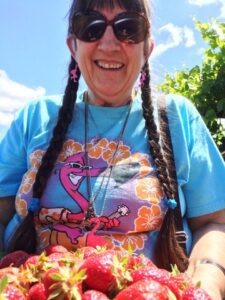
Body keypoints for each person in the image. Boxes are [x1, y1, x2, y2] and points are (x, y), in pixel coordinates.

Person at [0, 0, 225, 298]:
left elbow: (213, 221)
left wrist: (207, 282)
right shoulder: (35, 118)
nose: (109, 43)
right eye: (90, 27)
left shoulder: (177, 118)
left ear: (148, 47)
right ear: (72, 45)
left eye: (128, 28)